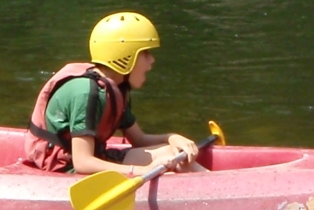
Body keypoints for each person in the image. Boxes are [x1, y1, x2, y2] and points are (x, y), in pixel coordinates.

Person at [25, 11, 204, 175]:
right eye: (145, 53)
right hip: (65, 169)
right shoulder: (88, 94)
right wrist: (142, 170)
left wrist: (173, 138)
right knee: (167, 174)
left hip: (94, 159)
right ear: (126, 56)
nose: (152, 60)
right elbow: (82, 162)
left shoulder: (117, 87)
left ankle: (216, 187)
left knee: (170, 152)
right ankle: (217, 193)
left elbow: (139, 139)